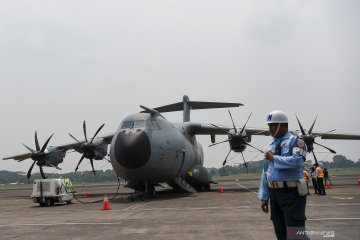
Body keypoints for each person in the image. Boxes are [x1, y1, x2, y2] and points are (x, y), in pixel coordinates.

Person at [258, 110, 309, 240]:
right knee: (280, 233)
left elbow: (298, 161)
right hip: (275, 194)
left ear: (284, 125)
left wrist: (274, 158)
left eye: (273, 125)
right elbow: (265, 173)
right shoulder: (269, 146)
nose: (270, 129)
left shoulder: (296, 141)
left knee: (295, 235)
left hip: (292, 193)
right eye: (269, 126)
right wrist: (264, 196)